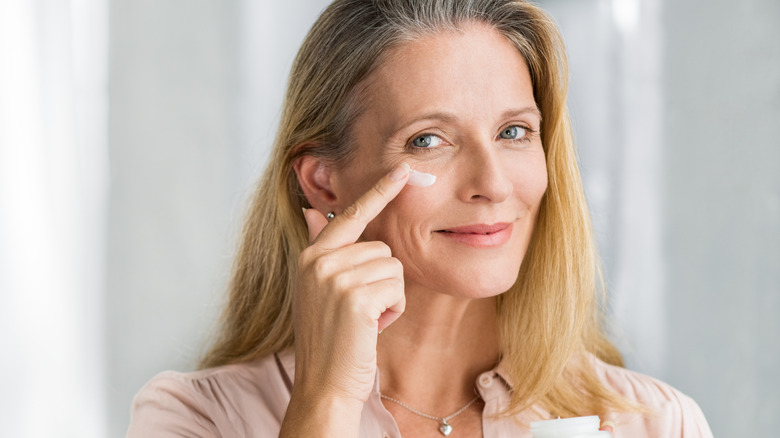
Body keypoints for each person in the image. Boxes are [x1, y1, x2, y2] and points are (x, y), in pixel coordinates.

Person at [126, 0, 713, 437]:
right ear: (323, 180)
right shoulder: (196, 418)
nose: (492, 184)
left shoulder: (657, 423)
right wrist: (326, 399)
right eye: (429, 140)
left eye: (514, 132)